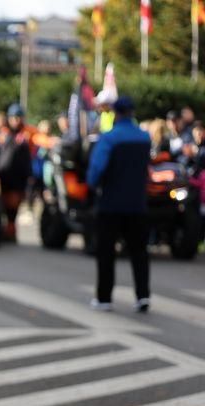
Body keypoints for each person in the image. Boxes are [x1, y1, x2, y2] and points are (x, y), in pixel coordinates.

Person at [86, 96, 152, 313]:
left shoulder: (109, 138)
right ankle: (143, 295)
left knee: (106, 252)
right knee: (139, 252)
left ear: (116, 113)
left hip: (111, 204)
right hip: (137, 204)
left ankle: (104, 298)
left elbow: (96, 170)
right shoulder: (144, 138)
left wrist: (92, 185)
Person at [0, 104, 33, 243]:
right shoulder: (2, 135)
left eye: (18, 117)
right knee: (1, 205)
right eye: (13, 118)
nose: (16, 121)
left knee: (13, 206)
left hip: (18, 179)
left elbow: (27, 160)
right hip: (3, 176)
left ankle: (10, 230)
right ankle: (4, 229)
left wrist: (29, 177)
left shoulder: (26, 136)